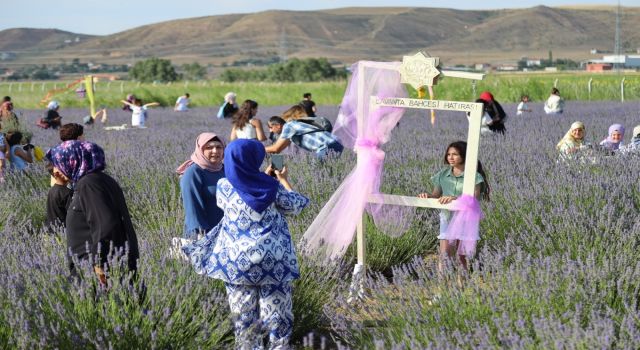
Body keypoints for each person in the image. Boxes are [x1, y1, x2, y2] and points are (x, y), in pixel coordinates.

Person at [183, 139, 309, 349]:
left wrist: (261, 179)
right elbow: (295, 206)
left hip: (236, 263)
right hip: (274, 262)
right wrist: (283, 180)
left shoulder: (223, 186)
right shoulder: (272, 187)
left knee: (244, 320)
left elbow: (241, 191)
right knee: (277, 317)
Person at [45, 141, 139, 284]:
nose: (56, 171)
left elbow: (106, 224)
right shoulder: (100, 180)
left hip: (95, 271)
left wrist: (99, 263)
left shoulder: (89, 184)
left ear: (73, 160)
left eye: (59, 164)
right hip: (103, 264)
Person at [418, 141, 489, 271]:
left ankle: (461, 286)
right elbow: (436, 194)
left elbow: (474, 198)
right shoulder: (443, 175)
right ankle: (441, 287)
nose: (450, 157)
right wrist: (427, 196)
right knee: (444, 254)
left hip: (465, 219)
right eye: (449, 154)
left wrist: (454, 199)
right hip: (447, 217)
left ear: (464, 156)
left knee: (462, 257)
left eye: (455, 154)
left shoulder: (474, 176)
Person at [176, 133, 226, 239]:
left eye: (219, 147)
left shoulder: (225, 169)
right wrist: (200, 233)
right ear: (201, 150)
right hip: (204, 233)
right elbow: (191, 206)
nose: (215, 151)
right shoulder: (193, 172)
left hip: (226, 232)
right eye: (209, 147)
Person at [265, 104, 343, 159]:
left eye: (271, 127)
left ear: (278, 125)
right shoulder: (292, 127)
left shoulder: (288, 126)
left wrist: (257, 147)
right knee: (327, 171)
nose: (270, 130)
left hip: (327, 145)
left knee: (319, 171)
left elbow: (276, 148)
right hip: (335, 142)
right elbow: (279, 150)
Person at [45, 162, 73, 231]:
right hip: (63, 230)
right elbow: (73, 215)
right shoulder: (67, 193)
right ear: (56, 174)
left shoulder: (52, 190)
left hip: (52, 229)